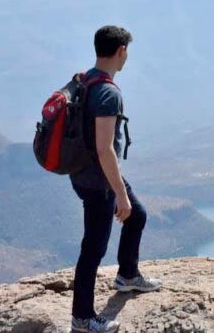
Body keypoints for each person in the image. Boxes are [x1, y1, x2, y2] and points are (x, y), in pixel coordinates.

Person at [69, 25, 162, 333]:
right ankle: (82, 318)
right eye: (127, 52)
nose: (127, 57)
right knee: (93, 249)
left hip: (83, 174)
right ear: (121, 51)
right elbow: (104, 147)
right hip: (99, 181)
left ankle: (127, 275)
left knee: (137, 215)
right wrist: (119, 193)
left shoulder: (84, 79)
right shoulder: (108, 92)